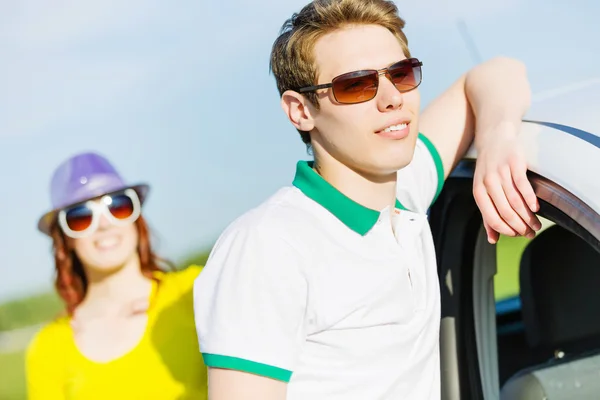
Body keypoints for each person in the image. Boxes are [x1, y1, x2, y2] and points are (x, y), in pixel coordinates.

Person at [193, 0, 541, 399]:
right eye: (355, 84)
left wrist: (498, 137)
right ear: (300, 110)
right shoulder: (268, 245)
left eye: (402, 73)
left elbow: (498, 73)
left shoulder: (404, 196)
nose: (392, 98)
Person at [25, 152, 208, 400]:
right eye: (80, 216)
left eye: (118, 205)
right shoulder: (48, 349)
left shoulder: (196, 291)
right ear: (64, 240)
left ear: (136, 215)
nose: (104, 224)